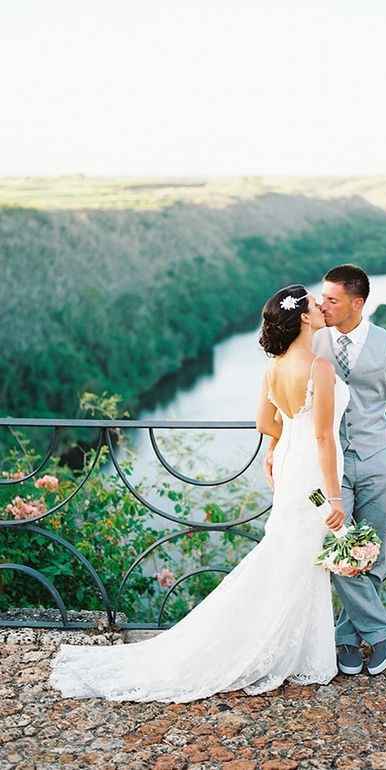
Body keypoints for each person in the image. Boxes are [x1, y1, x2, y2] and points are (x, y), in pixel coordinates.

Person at [48, 284, 349, 702]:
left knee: (289, 553)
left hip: (290, 465)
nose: (322, 308)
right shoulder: (319, 367)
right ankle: (284, 651)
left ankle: (290, 649)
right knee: (299, 556)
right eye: (316, 304)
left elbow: (267, 421)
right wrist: (334, 498)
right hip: (312, 472)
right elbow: (322, 437)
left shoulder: (275, 366)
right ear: (302, 317)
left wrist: (276, 448)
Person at [264, 264, 386, 676]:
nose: (323, 304)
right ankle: (379, 631)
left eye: (332, 299)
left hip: (376, 464)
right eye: (321, 298)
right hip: (326, 470)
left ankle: (348, 636)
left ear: (357, 302)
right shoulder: (311, 341)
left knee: (373, 552)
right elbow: (284, 399)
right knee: (337, 548)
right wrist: (273, 444)